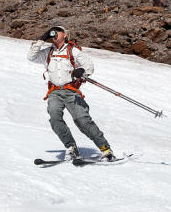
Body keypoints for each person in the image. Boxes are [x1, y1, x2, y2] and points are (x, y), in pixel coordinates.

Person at [27, 25, 115, 161]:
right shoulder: (47, 52)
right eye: (52, 31)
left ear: (65, 35)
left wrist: (81, 71)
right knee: (55, 119)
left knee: (82, 121)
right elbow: (31, 57)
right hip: (54, 91)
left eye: (58, 30)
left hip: (71, 91)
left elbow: (89, 66)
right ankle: (71, 148)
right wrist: (41, 39)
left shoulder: (73, 51)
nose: (54, 32)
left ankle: (106, 150)